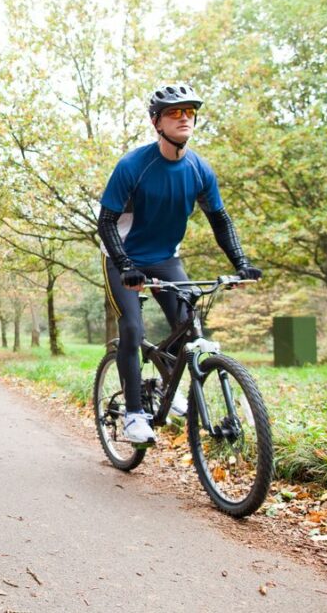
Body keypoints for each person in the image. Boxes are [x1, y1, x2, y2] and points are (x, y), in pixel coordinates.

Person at [97, 83, 262, 444]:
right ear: (156, 121)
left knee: (188, 328)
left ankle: (167, 390)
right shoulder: (132, 166)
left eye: (189, 112)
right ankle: (134, 414)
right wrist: (125, 265)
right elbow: (106, 222)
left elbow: (220, 219)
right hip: (122, 259)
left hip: (166, 258)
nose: (184, 117)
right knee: (133, 331)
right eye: (175, 112)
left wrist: (241, 262)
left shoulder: (200, 169)